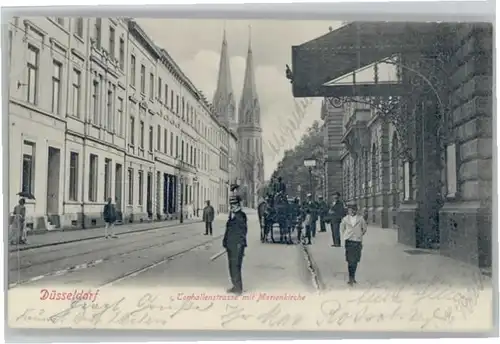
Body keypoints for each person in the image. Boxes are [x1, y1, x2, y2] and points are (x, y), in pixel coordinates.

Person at [223, 195, 248, 295]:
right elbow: (228, 230)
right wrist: (225, 241)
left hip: (237, 245)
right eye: (231, 205)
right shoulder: (233, 215)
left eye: (233, 205)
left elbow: (243, 231)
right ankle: (235, 286)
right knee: (231, 266)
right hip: (230, 245)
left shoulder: (241, 215)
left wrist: (240, 244)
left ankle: (238, 288)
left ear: (238, 205)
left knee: (236, 266)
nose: (231, 206)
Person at [340, 202, 367, 285]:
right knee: (349, 260)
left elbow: (364, 229)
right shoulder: (345, 219)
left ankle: (353, 277)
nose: (352, 211)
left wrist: (359, 235)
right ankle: (350, 278)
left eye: (354, 210)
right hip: (349, 241)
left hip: (357, 241)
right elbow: (342, 228)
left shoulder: (360, 219)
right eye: (350, 210)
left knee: (355, 260)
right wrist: (347, 235)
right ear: (348, 210)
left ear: (356, 210)